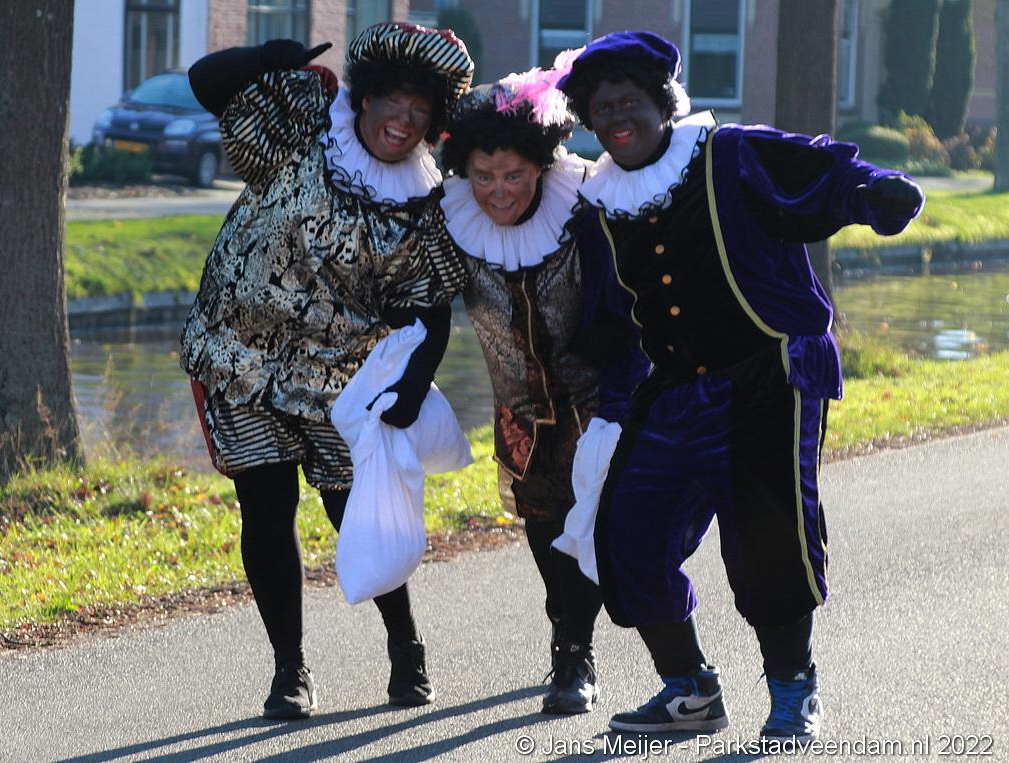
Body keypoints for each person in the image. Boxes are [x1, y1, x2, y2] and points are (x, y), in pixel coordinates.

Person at [555, 31, 924, 740]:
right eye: (602, 109)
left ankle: (793, 690)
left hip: (770, 372)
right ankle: (690, 691)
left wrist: (873, 192)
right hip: (673, 388)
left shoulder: (728, 154)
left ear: (662, 103)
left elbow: (820, 171)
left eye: (629, 102)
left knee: (768, 538)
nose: (616, 118)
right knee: (625, 532)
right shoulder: (601, 203)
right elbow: (611, 312)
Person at [180, 23, 473, 719]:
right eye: (393, 100)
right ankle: (290, 669)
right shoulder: (304, 126)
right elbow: (206, 84)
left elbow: (431, 309)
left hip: (340, 380)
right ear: (365, 97)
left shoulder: (424, 206)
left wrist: (412, 384)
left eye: (420, 110)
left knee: (356, 513)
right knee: (265, 511)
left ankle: (406, 647)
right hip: (237, 358)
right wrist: (266, 59)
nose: (403, 120)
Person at [438, 64, 607, 714]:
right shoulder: (453, 220)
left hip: (594, 396)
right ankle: (564, 626)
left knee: (586, 522)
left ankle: (576, 652)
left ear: (539, 164)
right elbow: (413, 293)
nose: (498, 190)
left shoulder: (584, 203)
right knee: (541, 523)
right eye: (483, 176)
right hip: (518, 403)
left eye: (512, 174)